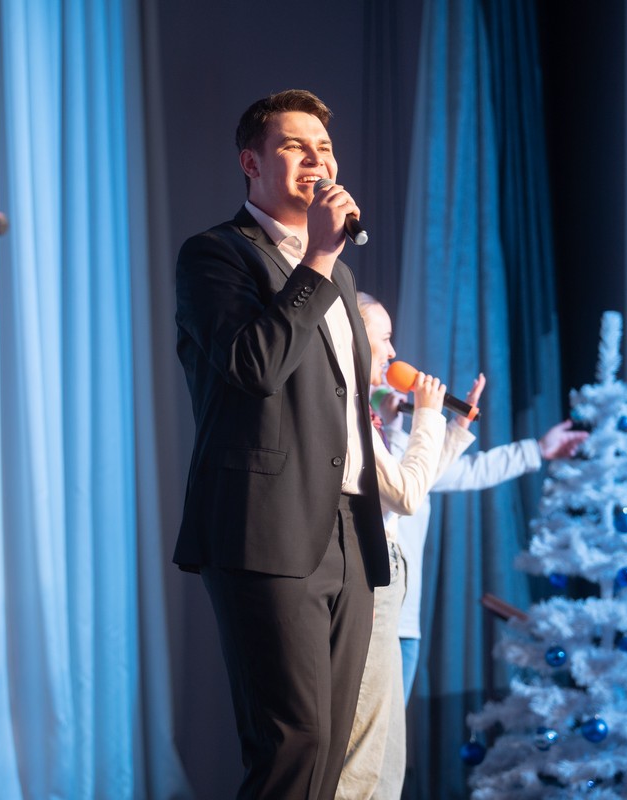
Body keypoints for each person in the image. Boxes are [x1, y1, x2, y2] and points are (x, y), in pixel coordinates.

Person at [174, 89, 392, 799]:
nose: (316, 160)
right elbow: (254, 366)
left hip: (349, 528)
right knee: (292, 744)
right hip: (266, 527)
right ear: (251, 162)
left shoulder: (341, 275)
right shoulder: (216, 254)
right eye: (296, 146)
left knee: (330, 747)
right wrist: (318, 259)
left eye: (324, 148)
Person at [336, 294, 476, 800]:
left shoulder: (362, 413)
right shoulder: (347, 410)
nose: (394, 352)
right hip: (368, 583)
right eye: (385, 338)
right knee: (365, 749)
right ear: (354, 339)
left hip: (387, 583)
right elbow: (408, 497)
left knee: (388, 748)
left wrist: (452, 429)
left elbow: (408, 486)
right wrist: (427, 417)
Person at [390, 412, 587, 707]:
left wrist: (536, 449)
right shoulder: (366, 446)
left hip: (406, 625)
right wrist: (391, 429)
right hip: (373, 619)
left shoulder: (409, 453)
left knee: (390, 734)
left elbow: (473, 470)